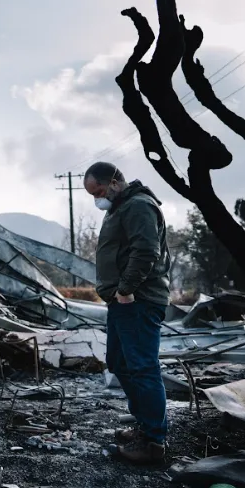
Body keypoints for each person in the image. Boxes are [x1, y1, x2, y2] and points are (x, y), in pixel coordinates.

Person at [84, 161, 172, 465]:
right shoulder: (120, 207)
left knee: (142, 367)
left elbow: (146, 251)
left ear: (113, 182)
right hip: (122, 301)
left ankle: (153, 441)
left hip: (137, 299)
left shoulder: (138, 206)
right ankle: (145, 425)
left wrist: (125, 288)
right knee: (119, 362)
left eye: (98, 191)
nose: (97, 199)